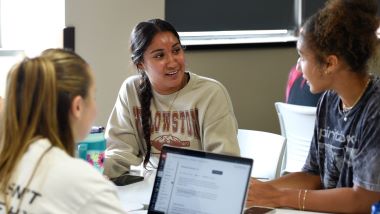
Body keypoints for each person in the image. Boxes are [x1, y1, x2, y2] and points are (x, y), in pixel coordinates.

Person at [247, 0, 380, 213]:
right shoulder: (329, 100)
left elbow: (364, 200)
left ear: (329, 63)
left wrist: (278, 195)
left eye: (302, 57)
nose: (298, 67)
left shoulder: (375, 109)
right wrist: (258, 190)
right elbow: (313, 175)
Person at [104, 18, 240, 178]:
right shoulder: (131, 90)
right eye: (160, 55)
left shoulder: (211, 93)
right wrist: (88, 171)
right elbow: (119, 153)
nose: (172, 62)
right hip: (146, 189)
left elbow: (223, 162)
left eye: (176, 51)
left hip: (199, 189)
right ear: (140, 63)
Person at [0, 49, 126, 213]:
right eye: (93, 96)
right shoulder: (85, 185)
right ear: (78, 106)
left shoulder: (9, 157)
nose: (95, 108)